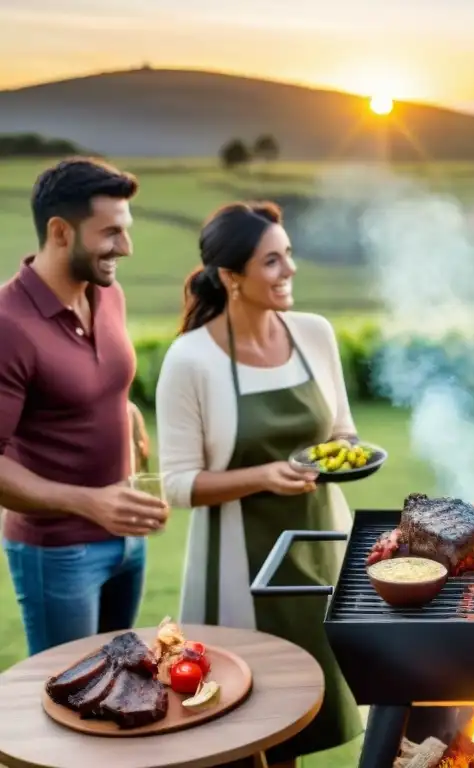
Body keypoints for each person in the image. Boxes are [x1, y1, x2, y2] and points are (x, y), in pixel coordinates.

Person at [155, 201, 363, 768]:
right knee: (251, 725)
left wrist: (343, 458)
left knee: (318, 706)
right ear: (231, 277)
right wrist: (263, 477)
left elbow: (342, 431)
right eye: (272, 261)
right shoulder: (190, 359)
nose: (290, 270)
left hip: (321, 546)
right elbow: (176, 484)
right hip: (238, 564)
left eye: (289, 255)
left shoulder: (314, 334)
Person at [0, 157, 169, 656]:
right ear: (59, 232)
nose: (126, 247)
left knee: (121, 686)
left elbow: (89, 382)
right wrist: (89, 501)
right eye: (111, 232)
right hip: (59, 552)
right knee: (70, 699)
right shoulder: (8, 326)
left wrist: (126, 412)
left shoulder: (108, 292)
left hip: (126, 541)